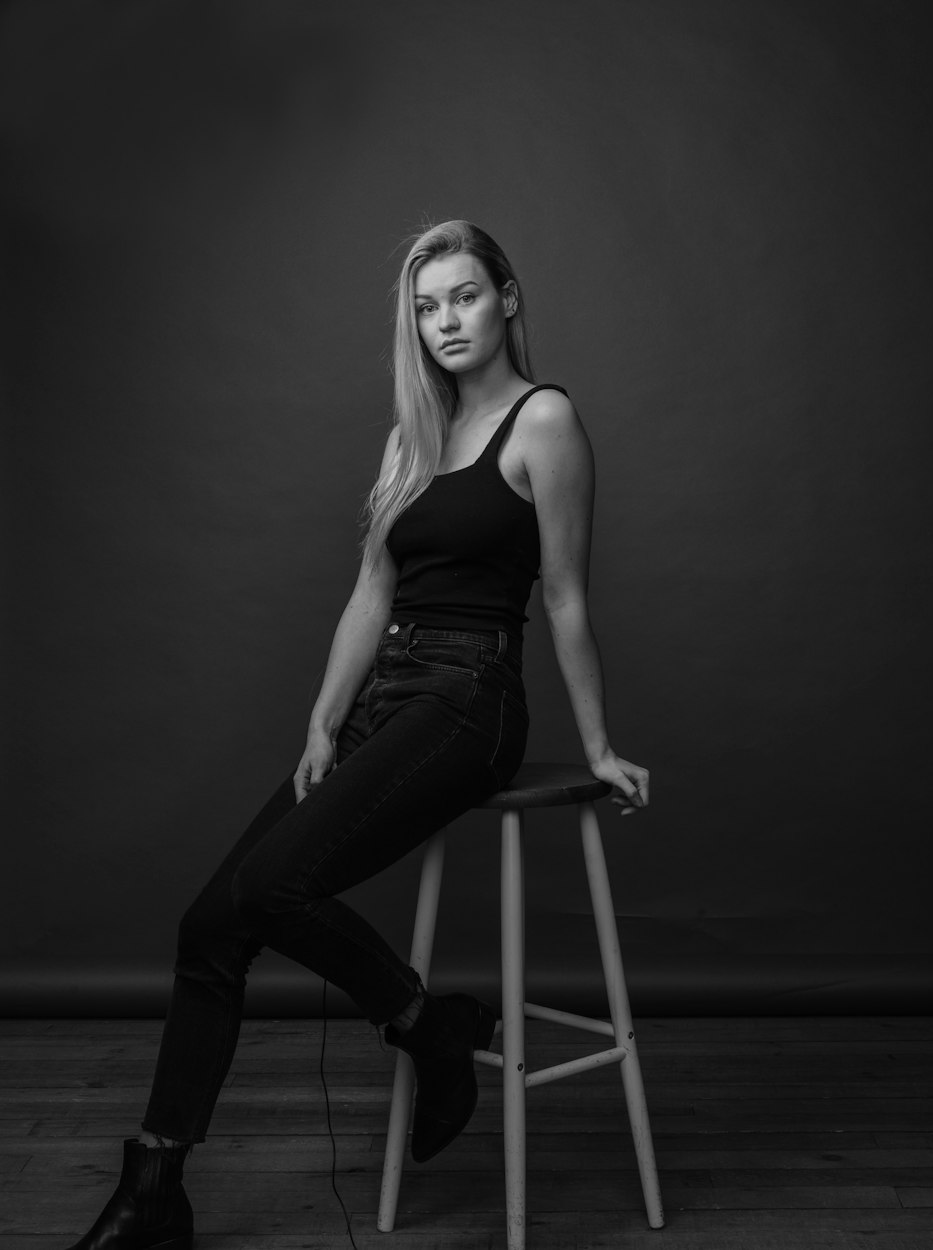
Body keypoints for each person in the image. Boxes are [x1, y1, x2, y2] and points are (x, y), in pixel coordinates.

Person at [64, 219, 650, 1249]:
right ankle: (157, 1184)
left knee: (271, 887)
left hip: (471, 698)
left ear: (508, 298)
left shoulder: (543, 419)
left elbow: (561, 596)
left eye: (464, 296)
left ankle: (426, 1022)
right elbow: (372, 590)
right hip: (390, 693)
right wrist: (323, 720)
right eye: (426, 308)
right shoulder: (410, 438)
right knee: (212, 922)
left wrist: (598, 747)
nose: (445, 322)